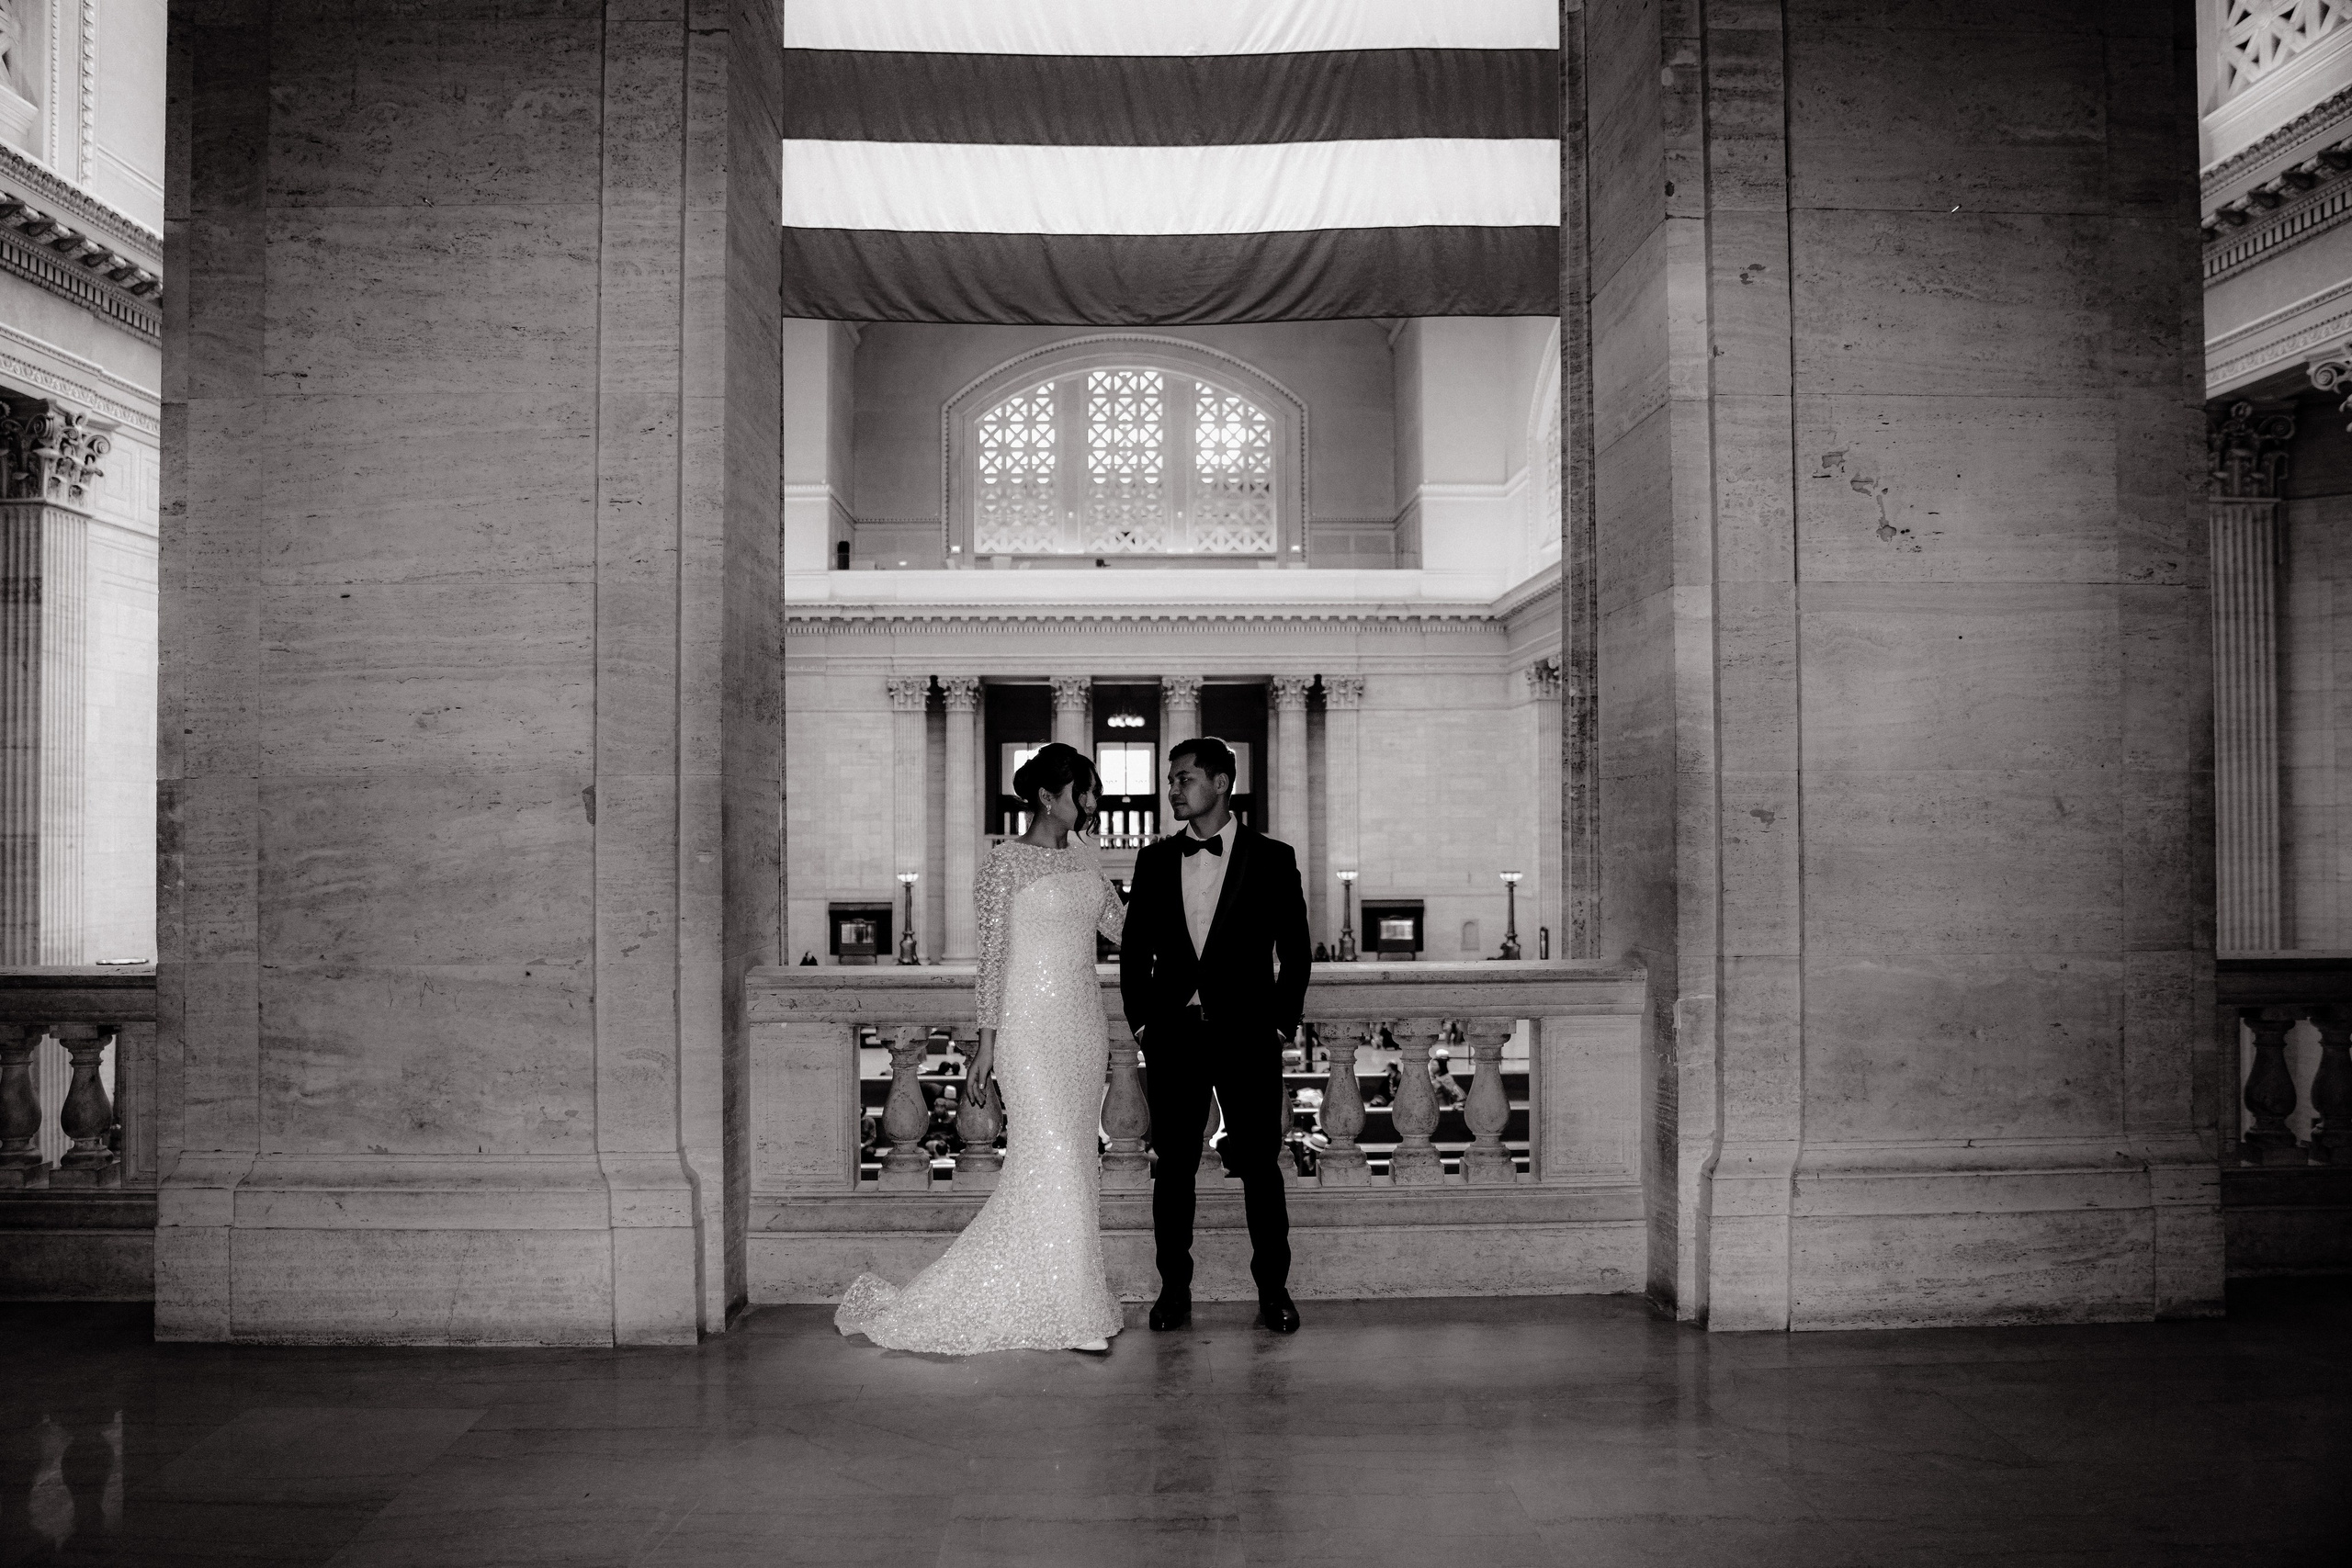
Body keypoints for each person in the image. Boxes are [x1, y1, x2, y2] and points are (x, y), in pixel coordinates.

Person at [834, 743, 1128, 1355]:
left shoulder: (1085, 854)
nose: (1094, 802)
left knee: (1073, 1161)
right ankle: (1073, 1311)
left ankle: (1067, 1295)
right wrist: (986, 1045)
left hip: (1082, 1025)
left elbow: (1119, 929)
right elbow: (991, 962)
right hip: (1026, 1030)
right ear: (1049, 797)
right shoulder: (1002, 864)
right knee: (1053, 1156)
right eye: (1085, 791)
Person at [1119, 736, 1313, 1336]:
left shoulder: (1273, 858)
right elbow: (1133, 952)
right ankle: (1173, 1291)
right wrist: (1145, 1022)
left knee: (1261, 1166)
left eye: (1184, 778)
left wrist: (1279, 1021)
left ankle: (1274, 1292)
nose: (1173, 788)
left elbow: (1297, 950)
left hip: (1248, 1035)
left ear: (1222, 782)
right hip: (1175, 1038)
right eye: (1172, 778)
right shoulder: (1153, 861)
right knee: (1172, 1169)